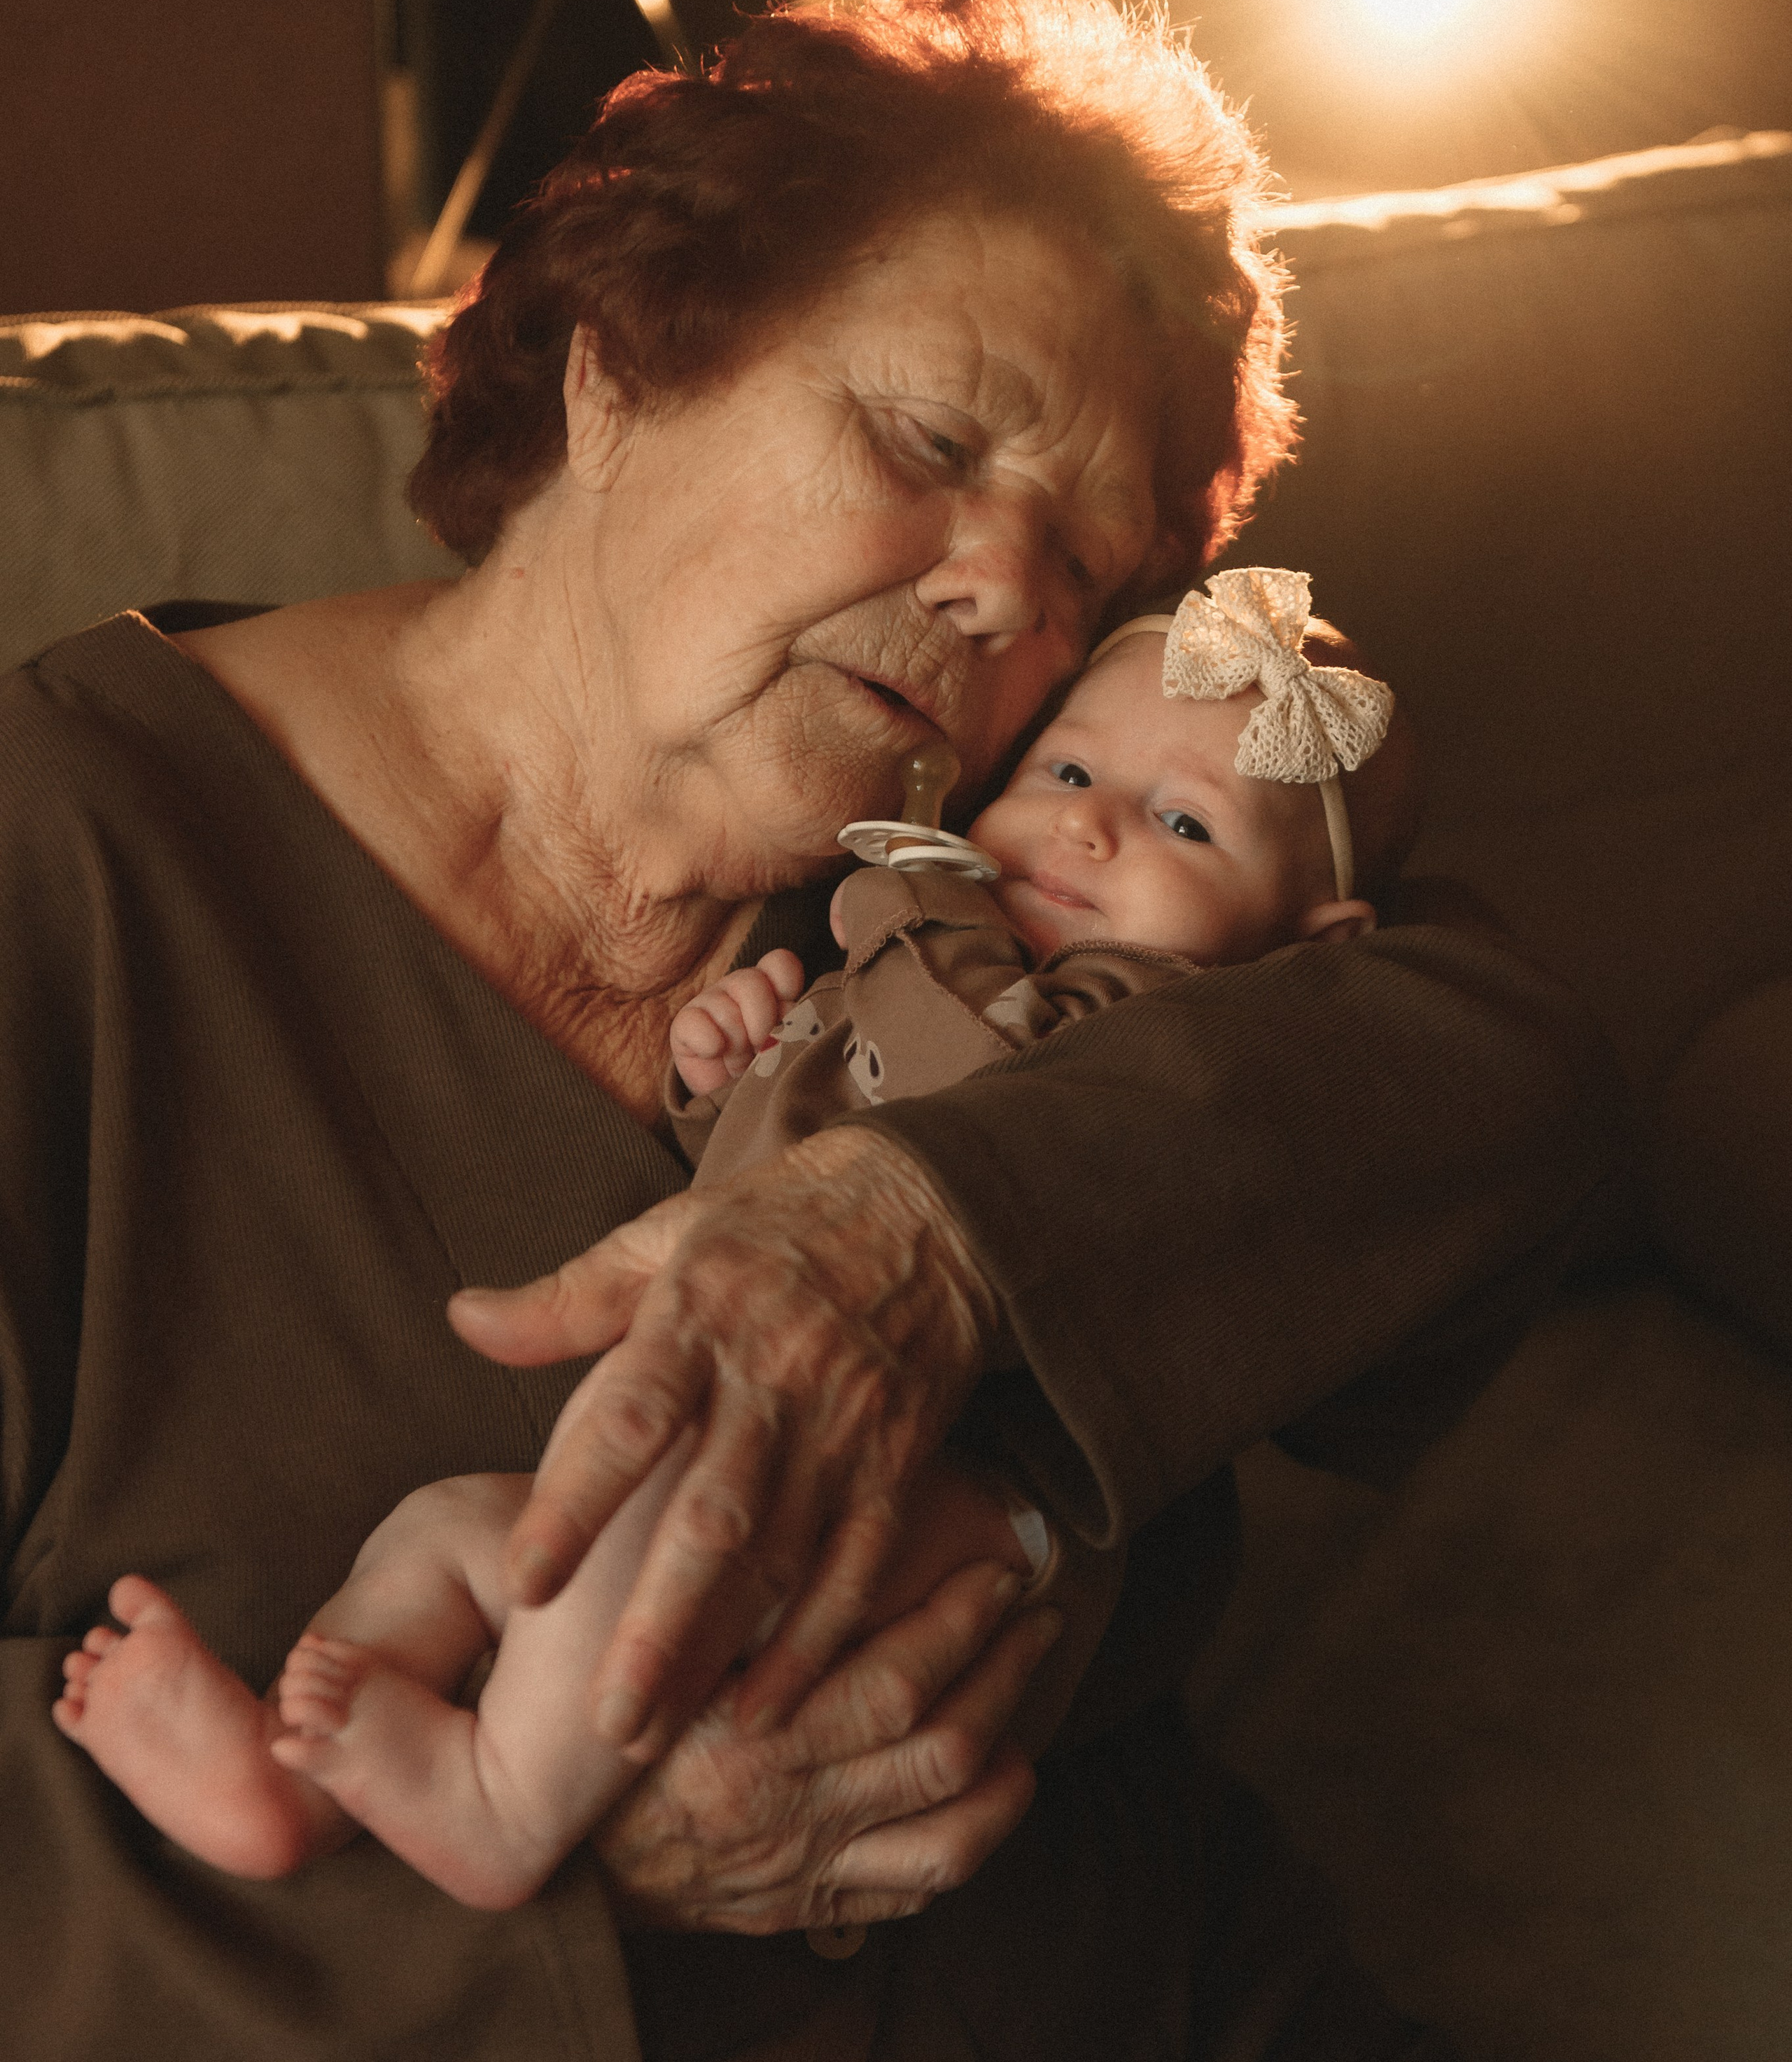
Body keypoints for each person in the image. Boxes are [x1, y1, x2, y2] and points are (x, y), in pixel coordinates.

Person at [0, 0, 1765, 2062]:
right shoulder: (59, 886)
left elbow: (1498, 1069)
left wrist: (923, 1233)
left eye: (1091, 564)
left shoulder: (1000, 913)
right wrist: (553, 1890)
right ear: (622, 355)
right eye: (929, 437)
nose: (998, 601)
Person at [49, 573, 1410, 1911]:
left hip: (926, 1499)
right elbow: (773, 1149)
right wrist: (744, 1058)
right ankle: (297, 1780)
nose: (1092, 831)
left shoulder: (1154, 1032)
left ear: (1316, 949)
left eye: (1182, 822)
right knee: (451, 1529)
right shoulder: (930, 936)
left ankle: (503, 1807)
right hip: (730, 1449)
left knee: (653, 1524)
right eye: (1062, 773)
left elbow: (1017, 1121)